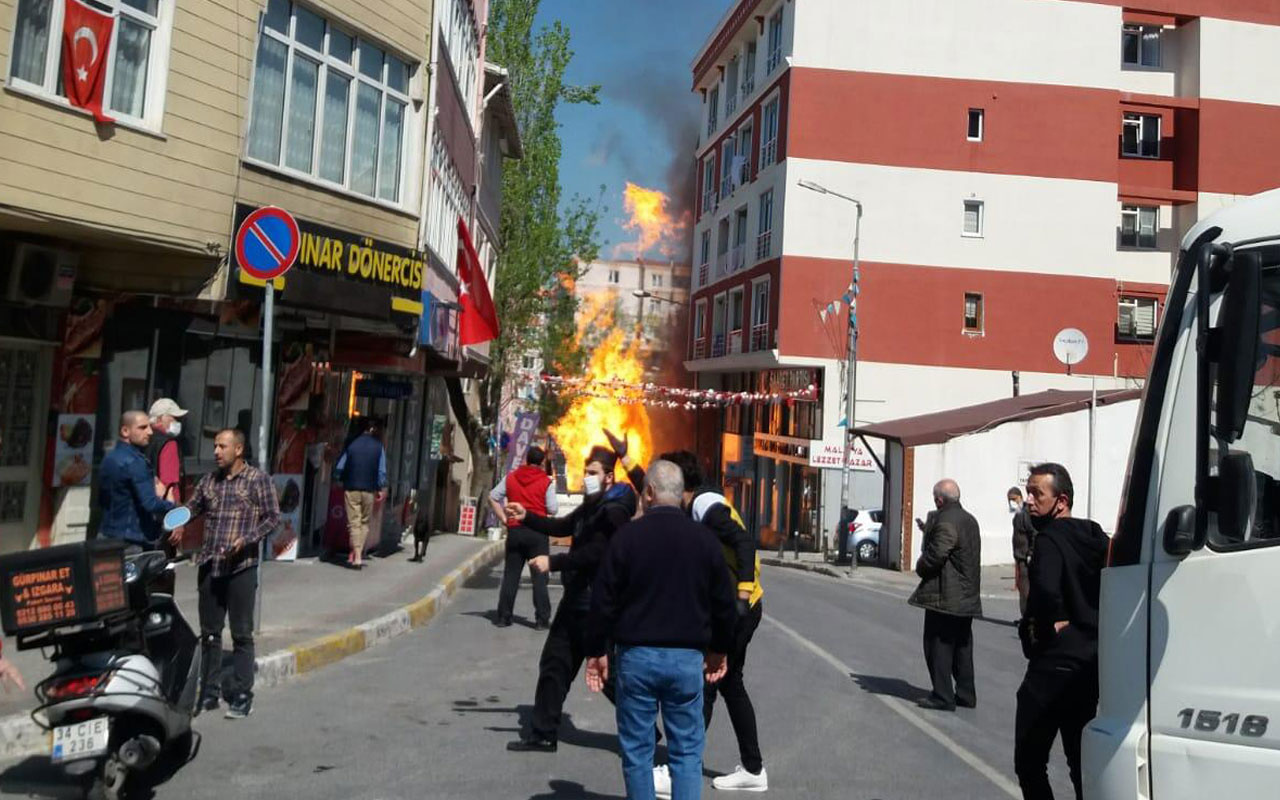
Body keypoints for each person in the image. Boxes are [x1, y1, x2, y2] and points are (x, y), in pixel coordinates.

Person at [605, 433, 769, 795]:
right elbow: (655, 491)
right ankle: (752, 767)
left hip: (743, 605)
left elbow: (743, 541)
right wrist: (628, 461)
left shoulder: (706, 505)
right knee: (728, 683)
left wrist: (741, 593)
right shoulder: (688, 503)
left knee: (711, 681)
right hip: (742, 606)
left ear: (683, 486)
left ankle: (682, 765)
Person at [584, 460, 735, 800]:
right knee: (686, 753)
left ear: (648, 493)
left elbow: (602, 600)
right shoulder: (705, 541)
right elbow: (724, 604)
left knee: (637, 753)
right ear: (681, 496)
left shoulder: (626, 539)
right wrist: (719, 650)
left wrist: (596, 651)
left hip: (636, 658)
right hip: (686, 661)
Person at [504, 445, 638, 753]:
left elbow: (598, 553)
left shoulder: (614, 510)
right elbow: (563, 526)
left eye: (593, 473)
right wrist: (527, 517)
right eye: (585, 471)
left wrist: (554, 562)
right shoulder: (591, 505)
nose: (586, 477)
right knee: (555, 663)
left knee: (607, 675)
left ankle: (644, 735)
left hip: (594, 602)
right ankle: (543, 732)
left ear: (609, 476)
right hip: (577, 598)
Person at [1014, 463, 1108, 800]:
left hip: (1054, 664)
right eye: (1028, 492)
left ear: (1061, 500)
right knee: (1080, 759)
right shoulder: (1099, 538)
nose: (1029, 501)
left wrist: (1047, 624)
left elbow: (1045, 592)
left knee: (1029, 760)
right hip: (1091, 660)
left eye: (1037, 493)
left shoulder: (1050, 540)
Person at [185, 428, 282, 719]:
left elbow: (273, 517)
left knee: (241, 634)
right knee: (210, 634)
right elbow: (192, 508)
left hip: (241, 567)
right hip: (210, 566)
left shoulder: (257, 480)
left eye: (222, 446)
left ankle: (241, 694)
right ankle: (209, 692)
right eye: (215, 446)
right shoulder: (209, 482)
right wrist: (175, 519)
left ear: (238, 450)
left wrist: (248, 539)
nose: (216, 451)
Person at [908, 479, 982, 712]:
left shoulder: (947, 521)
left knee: (937, 645)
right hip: (966, 593)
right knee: (962, 645)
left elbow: (937, 554)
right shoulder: (969, 519)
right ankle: (966, 694)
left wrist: (921, 565)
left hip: (946, 595)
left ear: (940, 499)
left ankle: (942, 695)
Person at [489, 446, 557, 629]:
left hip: (516, 531)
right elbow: (553, 509)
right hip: (538, 532)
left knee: (511, 575)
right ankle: (542, 620)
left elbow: (493, 497)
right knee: (539, 577)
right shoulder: (546, 481)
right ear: (542, 462)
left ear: (527, 459)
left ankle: (504, 617)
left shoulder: (511, 477)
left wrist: (504, 519)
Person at [98, 411, 177, 552]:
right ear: (125, 431)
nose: (150, 432)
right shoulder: (135, 462)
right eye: (142, 427)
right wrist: (171, 505)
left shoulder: (109, 458)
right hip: (131, 540)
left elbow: (103, 499)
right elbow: (150, 503)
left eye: (149, 427)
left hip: (107, 534)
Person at [335, 417, 387, 569]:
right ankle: (358, 554)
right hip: (369, 489)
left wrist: (338, 478)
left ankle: (356, 555)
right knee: (364, 523)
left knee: (353, 523)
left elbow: (340, 466)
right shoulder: (379, 446)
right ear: (371, 429)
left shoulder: (351, 444)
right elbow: (381, 471)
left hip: (351, 487)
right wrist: (381, 487)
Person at [1009, 486, 1036, 616]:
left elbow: (1033, 533)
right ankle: (1024, 616)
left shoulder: (1025, 514)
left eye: (1014, 499)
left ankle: (1027, 617)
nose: (1012, 502)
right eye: (1009, 500)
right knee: (1022, 587)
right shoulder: (1019, 513)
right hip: (1020, 556)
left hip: (1025, 557)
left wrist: (1030, 553)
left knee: (1025, 589)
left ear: (1020, 497)